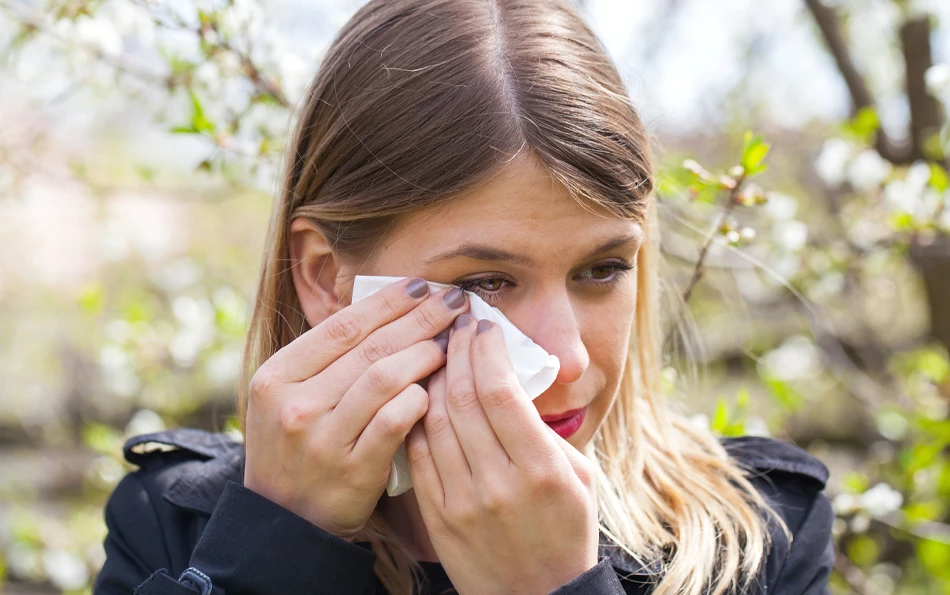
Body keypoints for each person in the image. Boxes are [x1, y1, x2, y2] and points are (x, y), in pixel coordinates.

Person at [92, 0, 835, 593]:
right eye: (486, 282)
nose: (569, 358)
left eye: (602, 268)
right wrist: (271, 549)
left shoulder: (754, 538)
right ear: (324, 275)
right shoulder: (178, 527)